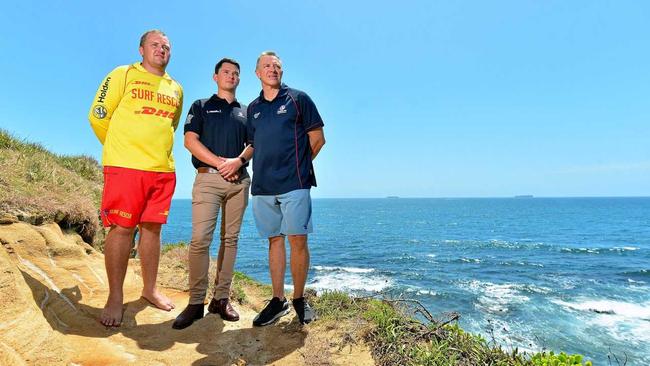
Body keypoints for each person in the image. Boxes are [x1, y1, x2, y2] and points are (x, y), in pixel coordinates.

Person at [88, 29, 183, 327]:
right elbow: (98, 114)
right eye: (155, 45)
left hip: (162, 170)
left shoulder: (176, 88)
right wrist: (119, 150)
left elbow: (171, 126)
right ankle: (115, 297)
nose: (161, 50)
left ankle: (149, 289)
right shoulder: (122, 74)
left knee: (152, 230)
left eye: (166, 46)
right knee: (122, 229)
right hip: (125, 168)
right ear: (141, 49)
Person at [172, 58, 253, 329]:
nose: (231, 76)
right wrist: (221, 163)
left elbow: (253, 144)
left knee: (230, 241)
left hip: (239, 182)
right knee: (199, 240)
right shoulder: (201, 106)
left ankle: (221, 299)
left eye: (236, 73)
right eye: (226, 72)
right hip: (208, 179)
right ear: (215, 77)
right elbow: (189, 141)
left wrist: (237, 162)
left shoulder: (246, 110)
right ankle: (196, 302)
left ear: (239, 79)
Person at [247, 51, 326, 326]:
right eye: (267, 66)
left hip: (295, 185)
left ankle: (299, 299)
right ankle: (278, 300)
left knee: (298, 240)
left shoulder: (299, 99)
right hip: (263, 187)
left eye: (277, 66)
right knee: (274, 241)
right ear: (257, 72)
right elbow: (252, 145)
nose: (273, 69)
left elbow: (317, 139)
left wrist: (298, 167)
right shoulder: (252, 108)